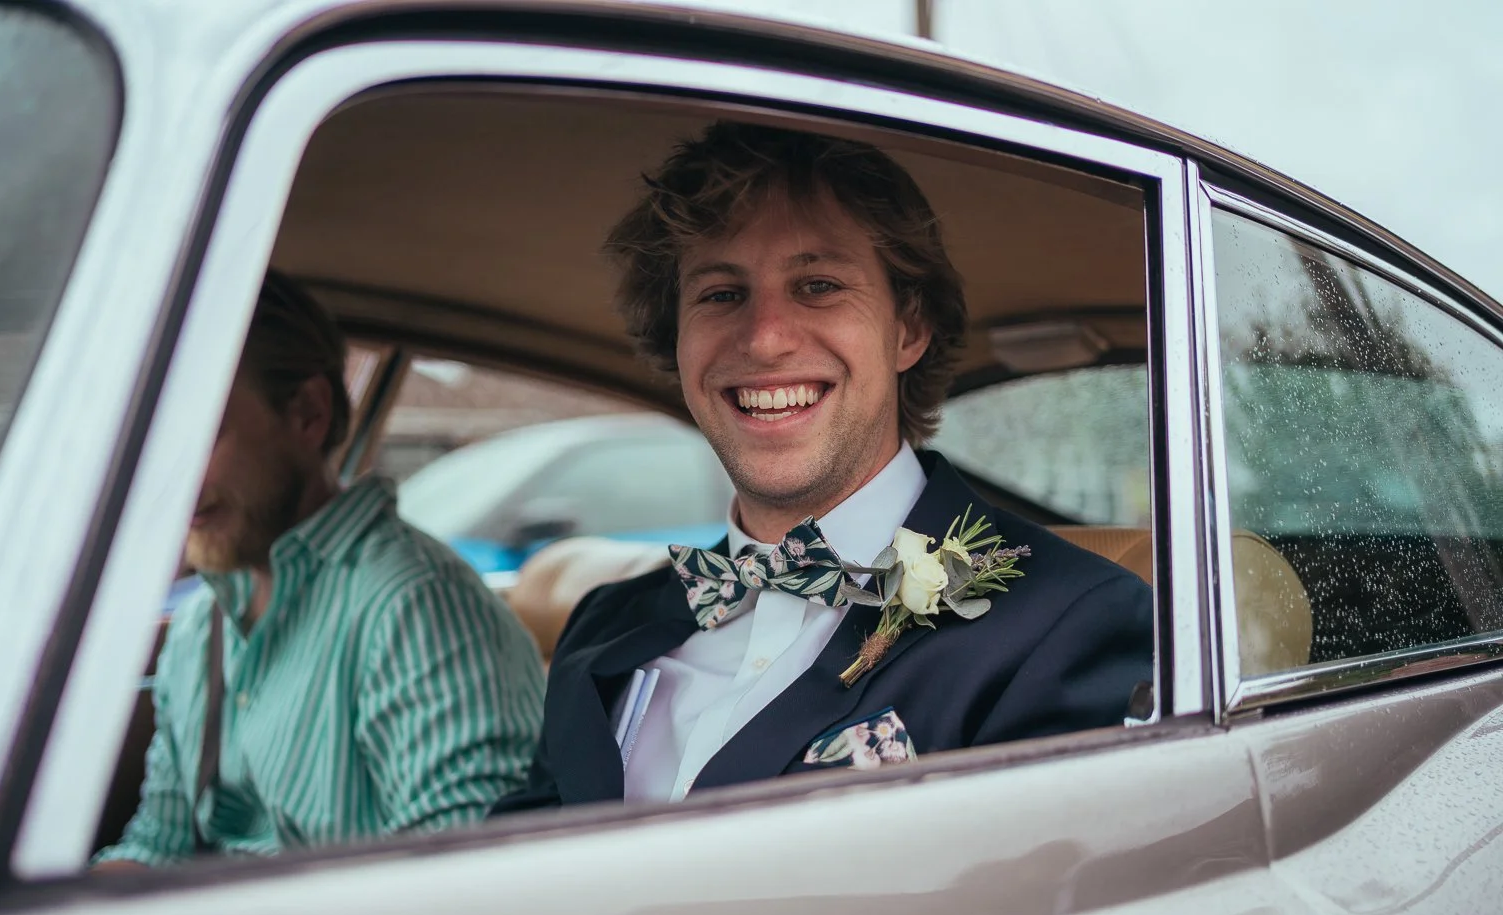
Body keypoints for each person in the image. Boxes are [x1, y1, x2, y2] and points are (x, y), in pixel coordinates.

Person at [492, 123, 1152, 813]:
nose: (765, 336)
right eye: (721, 294)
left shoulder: (1067, 624)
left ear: (908, 329)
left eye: (818, 284)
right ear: (678, 342)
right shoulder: (606, 621)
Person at [95, 272, 544, 867]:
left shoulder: (415, 606)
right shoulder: (201, 624)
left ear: (307, 412)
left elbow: (453, 887)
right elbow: (160, 845)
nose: (168, 481)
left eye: (200, 436)